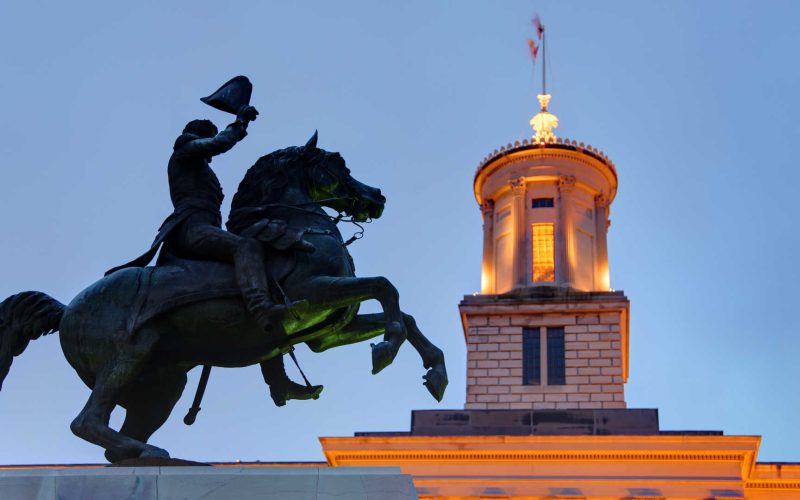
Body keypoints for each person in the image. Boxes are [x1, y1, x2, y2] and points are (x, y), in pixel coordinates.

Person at [107, 105, 321, 405]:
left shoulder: (200, 166)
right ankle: (261, 307)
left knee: (267, 279)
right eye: (206, 137)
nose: (208, 150)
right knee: (246, 247)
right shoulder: (185, 149)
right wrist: (240, 123)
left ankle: (278, 380)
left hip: (206, 227)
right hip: (191, 228)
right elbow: (218, 144)